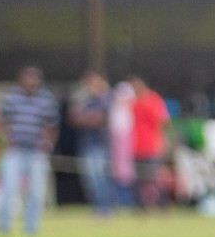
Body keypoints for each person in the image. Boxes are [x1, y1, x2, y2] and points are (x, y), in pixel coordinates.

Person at [0, 66, 60, 237]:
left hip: (36, 152)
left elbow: (52, 125)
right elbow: (4, 122)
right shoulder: (12, 97)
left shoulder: (45, 99)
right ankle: (4, 225)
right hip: (15, 150)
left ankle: (31, 227)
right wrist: (8, 141)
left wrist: (46, 145)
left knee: (37, 192)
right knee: (9, 188)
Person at [68, 70, 112, 215]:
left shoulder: (106, 98)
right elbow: (74, 119)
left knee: (100, 177)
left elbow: (102, 119)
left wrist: (86, 118)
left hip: (101, 145)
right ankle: (97, 207)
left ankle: (104, 208)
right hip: (86, 145)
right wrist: (90, 118)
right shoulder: (83, 99)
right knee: (89, 179)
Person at [129, 76, 171, 211]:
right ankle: (140, 208)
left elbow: (163, 121)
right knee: (138, 180)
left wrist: (162, 143)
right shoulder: (133, 102)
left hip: (152, 147)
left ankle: (163, 206)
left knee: (155, 179)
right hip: (136, 147)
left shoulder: (153, 99)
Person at [109, 80, 136, 208]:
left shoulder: (130, 112)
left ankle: (127, 201)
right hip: (117, 149)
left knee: (126, 173)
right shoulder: (115, 111)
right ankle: (120, 201)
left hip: (129, 149)